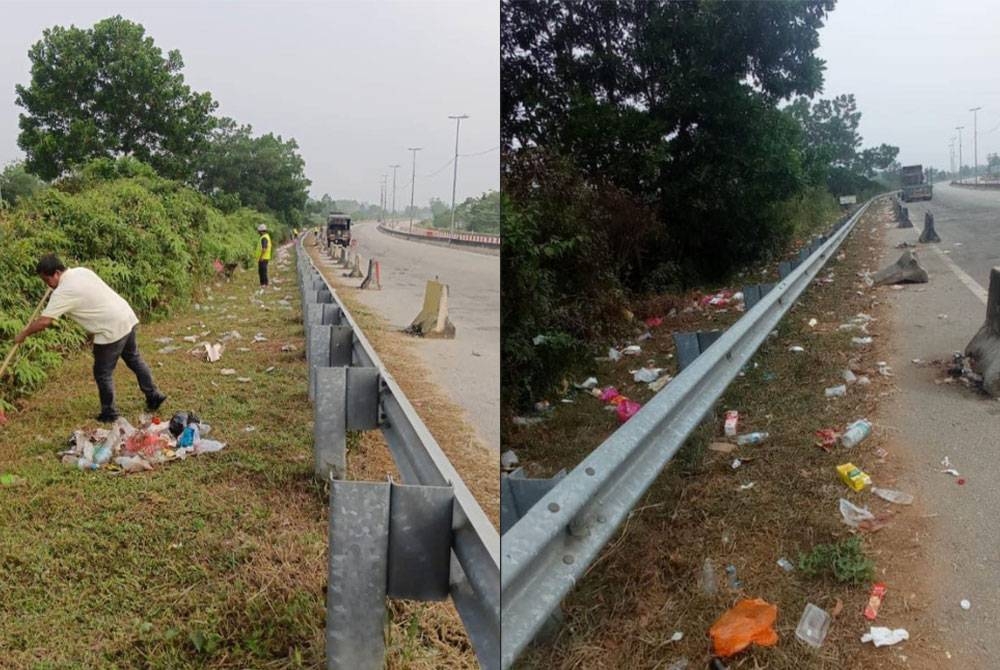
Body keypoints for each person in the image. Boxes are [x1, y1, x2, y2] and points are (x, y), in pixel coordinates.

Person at [14, 254, 167, 423]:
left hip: (110, 328)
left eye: (47, 280)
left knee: (103, 372)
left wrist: (24, 333)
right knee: (134, 359)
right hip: (125, 316)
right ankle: (154, 395)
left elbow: (45, 321)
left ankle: (109, 413)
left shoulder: (63, 292)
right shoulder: (81, 271)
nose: (47, 285)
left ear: (56, 273)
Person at [256, 223, 272, 287]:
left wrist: (261, 257)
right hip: (265, 257)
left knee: (262, 271)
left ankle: (264, 284)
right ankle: (263, 283)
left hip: (263, 257)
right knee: (262, 270)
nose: (258, 233)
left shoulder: (264, 238)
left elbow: (264, 249)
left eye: (259, 231)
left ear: (262, 231)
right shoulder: (266, 236)